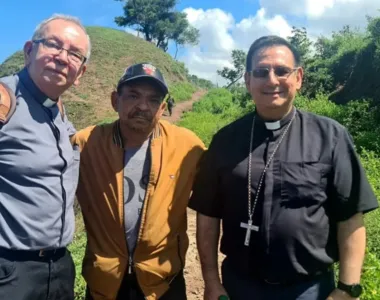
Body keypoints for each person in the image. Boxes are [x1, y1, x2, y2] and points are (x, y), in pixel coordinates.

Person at [188, 35, 379, 300]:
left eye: (281, 71)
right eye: (261, 72)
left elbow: (350, 215)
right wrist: (211, 281)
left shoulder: (331, 137)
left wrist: (347, 288)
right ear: (247, 81)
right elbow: (208, 216)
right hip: (239, 286)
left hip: (309, 289)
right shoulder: (225, 140)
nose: (271, 80)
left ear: (298, 78)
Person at [71, 62, 205, 300]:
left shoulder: (188, 146)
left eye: (153, 100)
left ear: (162, 107)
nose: (143, 106)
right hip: (105, 281)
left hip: (163, 282)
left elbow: (216, 194)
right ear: (115, 100)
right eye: (133, 96)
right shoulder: (86, 144)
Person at [0, 14, 90, 300]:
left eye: (75, 53)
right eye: (53, 45)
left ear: (81, 74)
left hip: (59, 268)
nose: (63, 58)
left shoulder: (58, 111)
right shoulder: (4, 100)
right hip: (10, 272)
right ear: (29, 51)